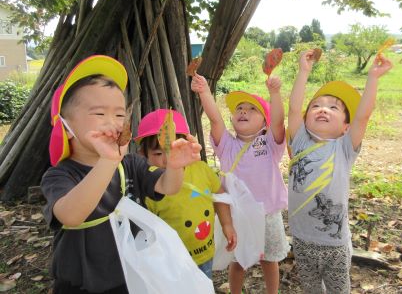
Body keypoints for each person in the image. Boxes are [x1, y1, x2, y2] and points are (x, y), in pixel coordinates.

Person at [41, 55, 202, 294]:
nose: (113, 123)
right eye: (99, 114)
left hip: (130, 272)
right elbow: (70, 215)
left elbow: (168, 187)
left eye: (119, 115)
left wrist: (175, 167)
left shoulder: (131, 164)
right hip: (80, 282)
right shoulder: (59, 175)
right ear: (66, 125)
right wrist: (107, 160)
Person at [287, 49, 392, 294]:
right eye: (316, 106)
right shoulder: (299, 142)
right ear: (305, 120)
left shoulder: (344, 148)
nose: (323, 109)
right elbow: (293, 110)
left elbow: (363, 117)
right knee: (311, 289)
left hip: (334, 243)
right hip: (302, 239)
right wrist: (304, 71)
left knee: (338, 290)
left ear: (346, 127)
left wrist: (373, 78)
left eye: (334, 108)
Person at [191, 73, 289, 294]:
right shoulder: (226, 145)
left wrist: (274, 93)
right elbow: (216, 119)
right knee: (238, 261)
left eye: (252, 109)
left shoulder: (270, 143)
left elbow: (279, 122)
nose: (243, 111)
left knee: (269, 260)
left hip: (268, 214)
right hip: (237, 216)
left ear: (265, 121)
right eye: (239, 108)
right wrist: (205, 91)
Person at [135, 108, 237, 279]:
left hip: (204, 254)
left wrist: (227, 224)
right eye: (159, 153)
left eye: (176, 150)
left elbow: (220, 196)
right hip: (169, 261)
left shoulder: (201, 170)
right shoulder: (147, 186)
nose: (168, 160)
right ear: (142, 155)